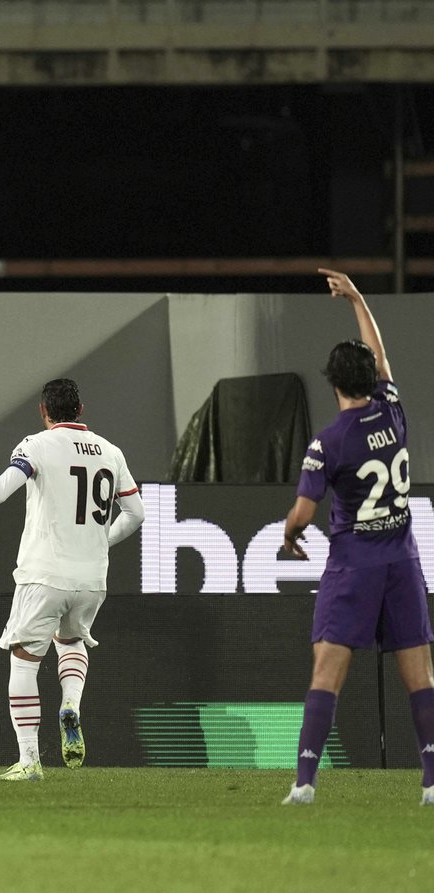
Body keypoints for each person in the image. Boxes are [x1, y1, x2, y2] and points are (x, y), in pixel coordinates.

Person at [0, 379, 144, 781]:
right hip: (92, 578)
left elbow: (0, 491)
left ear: (43, 411)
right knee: (70, 640)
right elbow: (136, 514)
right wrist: (99, 541)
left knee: (23, 660)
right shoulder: (111, 451)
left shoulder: (36, 445)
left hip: (44, 575)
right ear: (80, 409)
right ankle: (70, 704)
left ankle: (29, 760)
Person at [279, 269, 434, 807]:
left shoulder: (329, 443)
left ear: (334, 383)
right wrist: (358, 300)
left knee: (327, 672)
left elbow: (303, 513)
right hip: (403, 563)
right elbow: (382, 357)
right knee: (421, 677)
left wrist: (289, 533)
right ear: (371, 379)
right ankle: (432, 782)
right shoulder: (393, 411)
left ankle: (304, 784)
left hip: (353, 568)